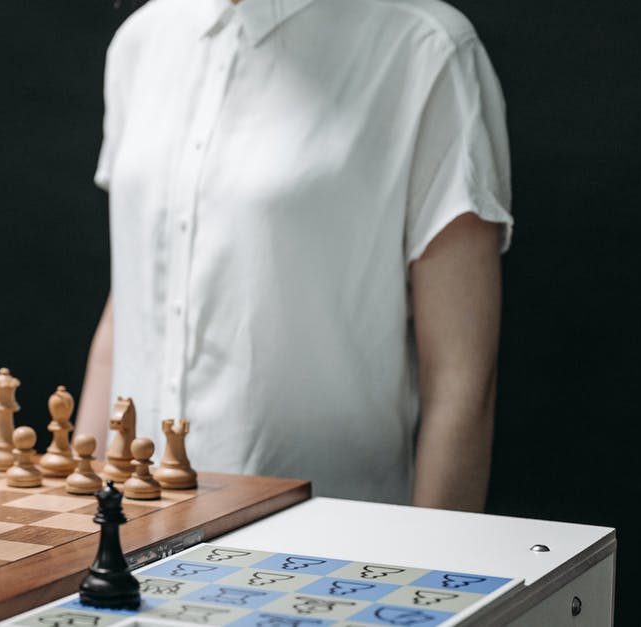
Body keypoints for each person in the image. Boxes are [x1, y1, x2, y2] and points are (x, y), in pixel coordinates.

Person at [76, 0, 513, 511]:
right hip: (128, 525)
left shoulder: (426, 49)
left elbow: (461, 382)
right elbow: (130, 308)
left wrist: (431, 576)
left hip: (325, 545)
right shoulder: (142, 39)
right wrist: (75, 515)